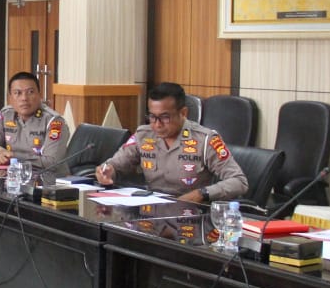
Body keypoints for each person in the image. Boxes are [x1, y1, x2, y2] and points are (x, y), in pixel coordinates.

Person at [95, 82, 247, 202]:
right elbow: (116, 164)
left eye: (165, 117)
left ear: (183, 113)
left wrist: (202, 194)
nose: (157, 124)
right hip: (152, 213)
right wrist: (107, 171)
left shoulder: (205, 139)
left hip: (191, 214)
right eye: (152, 117)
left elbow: (238, 181)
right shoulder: (143, 135)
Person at [0, 71, 69, 172]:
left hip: (50, 179)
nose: (24, 98)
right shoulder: (5, 115)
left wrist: (13, 156)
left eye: (30, 92)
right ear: (10, 97)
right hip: (13, 177)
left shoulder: (55, 122)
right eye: (17, 93)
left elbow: (51, 162)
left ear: (39, 95)